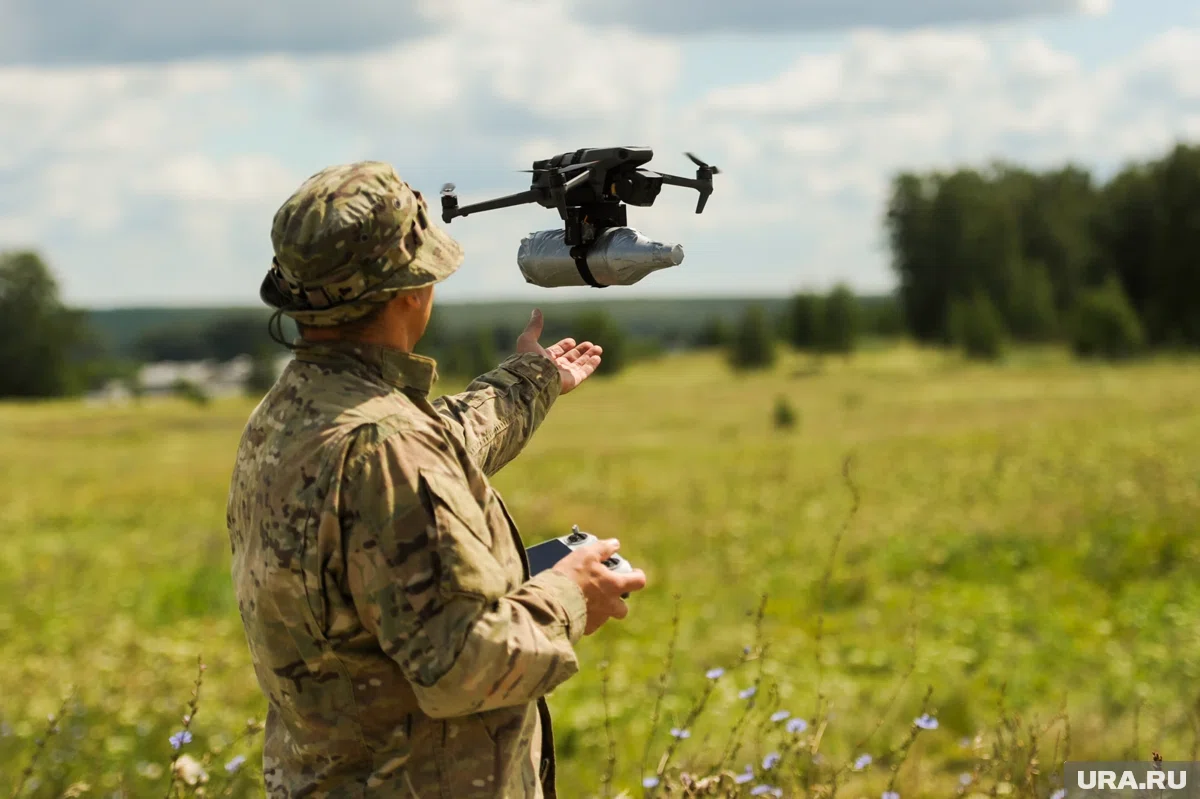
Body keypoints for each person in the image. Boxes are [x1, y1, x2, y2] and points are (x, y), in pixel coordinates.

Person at [226, 161, 648, 798]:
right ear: (409, 291)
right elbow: (464, 667)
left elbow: (437, 440)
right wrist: (572, 593)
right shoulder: (385, 447)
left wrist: (532, 380)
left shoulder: (289, 414)